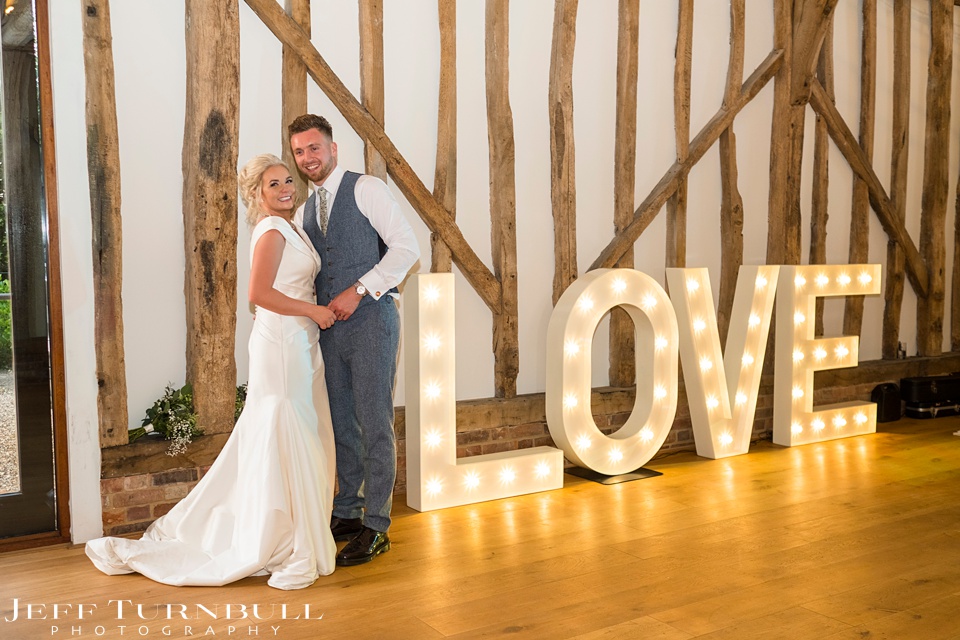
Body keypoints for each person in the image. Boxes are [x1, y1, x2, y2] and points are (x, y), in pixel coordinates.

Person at [85, 154, 339, 590]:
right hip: (282, 344)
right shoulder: (271, 229)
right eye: (274, 184)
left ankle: (287, 530)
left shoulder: (293, 226)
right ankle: (283, 539)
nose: (285, 189)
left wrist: (308, 318)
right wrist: (314, 311)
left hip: (299, 343)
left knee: (292, 432)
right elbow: (259, 294)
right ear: (257, 195)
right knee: (282, 429)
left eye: (287, 181)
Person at [289, 114, 419, 566]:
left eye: (314, 148)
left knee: (374, 421)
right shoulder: (306, 210)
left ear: (333, 148)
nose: (308, 158)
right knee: (343, 423)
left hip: (372, 322)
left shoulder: (366, 189)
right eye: (300, 151)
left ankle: (377, 525)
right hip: (331, 331)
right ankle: (348, 511)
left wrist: (360, 288)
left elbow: (407, 247)